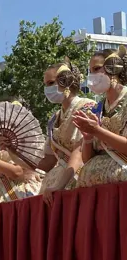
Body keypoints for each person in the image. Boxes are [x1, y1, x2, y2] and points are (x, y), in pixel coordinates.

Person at [38, 61, 96, 204]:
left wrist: (59, 184)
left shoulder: (87, 107)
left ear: (66, 81)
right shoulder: (53, 119)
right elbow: (49, 161)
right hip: (55, 182)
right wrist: (17, 153)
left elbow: (80, 148)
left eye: (51, 83)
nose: (47, 88)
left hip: (77, 177)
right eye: (46, 84)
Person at [75, 47, 127, 187]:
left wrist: (98, 131)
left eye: (97, 69)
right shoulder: (97, 108)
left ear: (113, 68)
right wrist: (87, 139)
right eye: (90, 71)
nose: (92, 75)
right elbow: (87, 159)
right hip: (96, 184)